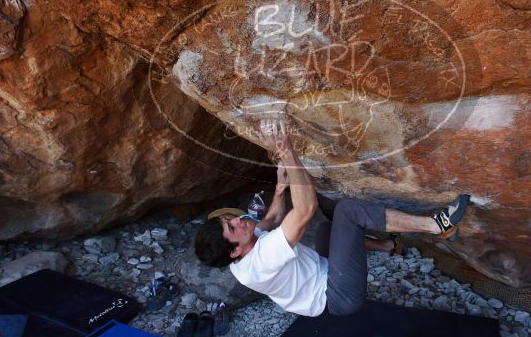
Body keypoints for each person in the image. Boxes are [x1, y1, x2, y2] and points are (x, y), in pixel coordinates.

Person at [194, 119, 470, 317]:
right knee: (347, 212)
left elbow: (271, 219)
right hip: (337, 297)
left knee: (328, 231)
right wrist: (285, 150)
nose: (238, 220)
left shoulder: (245, 248)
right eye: (232, 227)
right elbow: (305, 209)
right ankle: (437, 226)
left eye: (230, 219)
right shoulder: (260, 262)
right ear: (235, 251)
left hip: (322, 274)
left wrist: (280, 188)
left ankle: (388, 247)